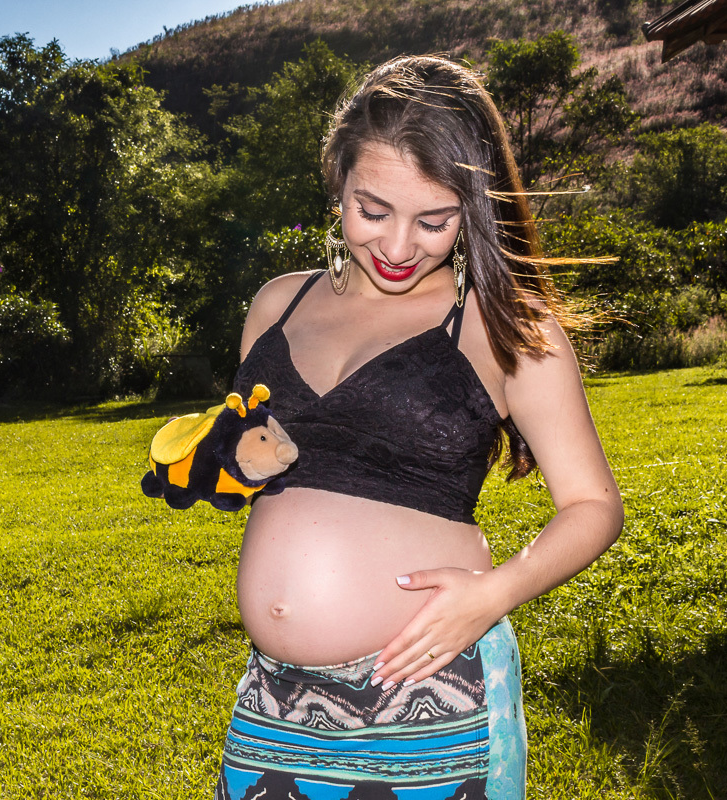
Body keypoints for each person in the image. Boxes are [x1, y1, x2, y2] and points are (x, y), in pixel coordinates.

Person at [217, 55, 624, 800]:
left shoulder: (505, 327)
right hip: (273, 704)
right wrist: (209, 463)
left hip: (429, 695)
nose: (400, 247)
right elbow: (267, 466)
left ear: (473, 210)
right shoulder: (276, 306)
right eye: (372, 211)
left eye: (435, 221)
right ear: (337, 181)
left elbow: (593, 506)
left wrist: (494, 594)